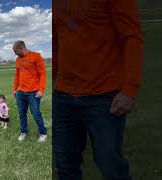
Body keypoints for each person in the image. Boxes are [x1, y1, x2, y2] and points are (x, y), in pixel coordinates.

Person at [53, 0, 144, 179]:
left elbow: (132, 37)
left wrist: (130, 89)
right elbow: (57, 40)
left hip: (104, 97)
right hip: (63, 96)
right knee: (65, 167)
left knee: (111, 167)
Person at [12, 40, 48, 142]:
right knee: (21, 113)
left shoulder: (36, 56)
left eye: (15, 51)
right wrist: (15, 89)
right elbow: (17, 75)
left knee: (36, 113)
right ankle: (23, 132)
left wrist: (41, 90)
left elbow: (42, 74)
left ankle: (43, 133)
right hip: (21, 93)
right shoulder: (18, 59)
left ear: (21, 48)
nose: (15, 53)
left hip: (33, 92)